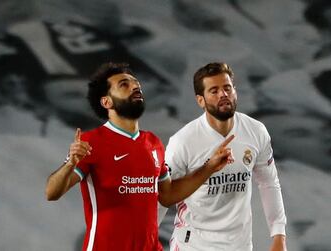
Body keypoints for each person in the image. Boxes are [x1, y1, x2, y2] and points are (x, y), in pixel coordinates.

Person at [45, 62, 235, 251]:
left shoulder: (153, 142)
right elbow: (51, 193)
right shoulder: (91, 141)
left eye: (136, 83)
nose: (135, 86)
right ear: (106, 102)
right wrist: (71, 163)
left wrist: (209, 167)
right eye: (124, 85)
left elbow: (168, 196)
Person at [160, 62, 287, 251]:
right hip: (193, 245)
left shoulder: (256, 131)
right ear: (200, 100)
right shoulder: (182, 142)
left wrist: (279, 235)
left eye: (227, 88)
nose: (223, 94)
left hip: (239, 245)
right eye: (214, 90)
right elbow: (164, 196)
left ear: (235, 91)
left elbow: (269, 183)